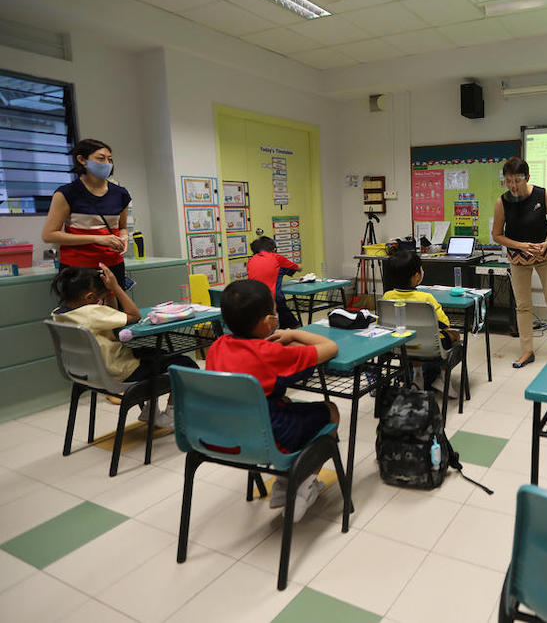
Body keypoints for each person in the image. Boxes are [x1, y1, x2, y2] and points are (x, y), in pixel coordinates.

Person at [206, 279, 340, 523]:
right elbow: (330, 347)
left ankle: (283, 483)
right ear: (269, 322)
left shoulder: (217, 346)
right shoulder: (272, 353)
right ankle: (303, 487)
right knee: (330, 411)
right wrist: (292, 333)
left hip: (221, 436)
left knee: (285, 402)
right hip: (266, 439)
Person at [49, 264, 196, 428]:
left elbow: (112, 315)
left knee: (157, 353)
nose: (100, 303)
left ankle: (150, 411)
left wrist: (109, 292)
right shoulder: (91, 313)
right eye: (100, 299)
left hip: (89, 373)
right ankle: (169, 416)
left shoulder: (59, 314)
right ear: (89, 297)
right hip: (121, 371)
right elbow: (134, 315)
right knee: (184, 364)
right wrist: (116, 287)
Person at [491, 158, 547, 368]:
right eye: (508, 181)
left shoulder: (541, 194)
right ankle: (527, 351)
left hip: (546, 255)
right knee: (523, 305)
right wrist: (521, 246)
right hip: (518, 258)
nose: (513, 186)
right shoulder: (502, 202)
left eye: (517, 180)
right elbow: (497, 235)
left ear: (527, 178)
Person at [43, 139, 131, 308]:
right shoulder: (67, 193)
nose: (107, 163)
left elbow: (122, 228)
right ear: (82, 160)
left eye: (110, 159)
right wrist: (97, 239)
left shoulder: (120, 194)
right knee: (83, 321)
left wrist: (124, 238)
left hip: (112, 265)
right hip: (78, 270)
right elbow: (49, 234)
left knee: (116, 320)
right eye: (101, 158)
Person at [382, 250, 460, 392]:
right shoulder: (426, 298)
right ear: (417, 276)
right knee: (454, 335)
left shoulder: (387, 296)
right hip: (430, 347)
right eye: (421, 268)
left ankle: (418, 375)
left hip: (399, 346)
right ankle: (442, 378)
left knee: (412, 338)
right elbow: (445, 324)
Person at [247, 236, 301, 329]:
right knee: (288, 319)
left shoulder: (250, 260)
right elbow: (297, 268)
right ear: (274, 249)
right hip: (274, 298)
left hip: (254, 298)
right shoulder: (276, 257)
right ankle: (296, 328)